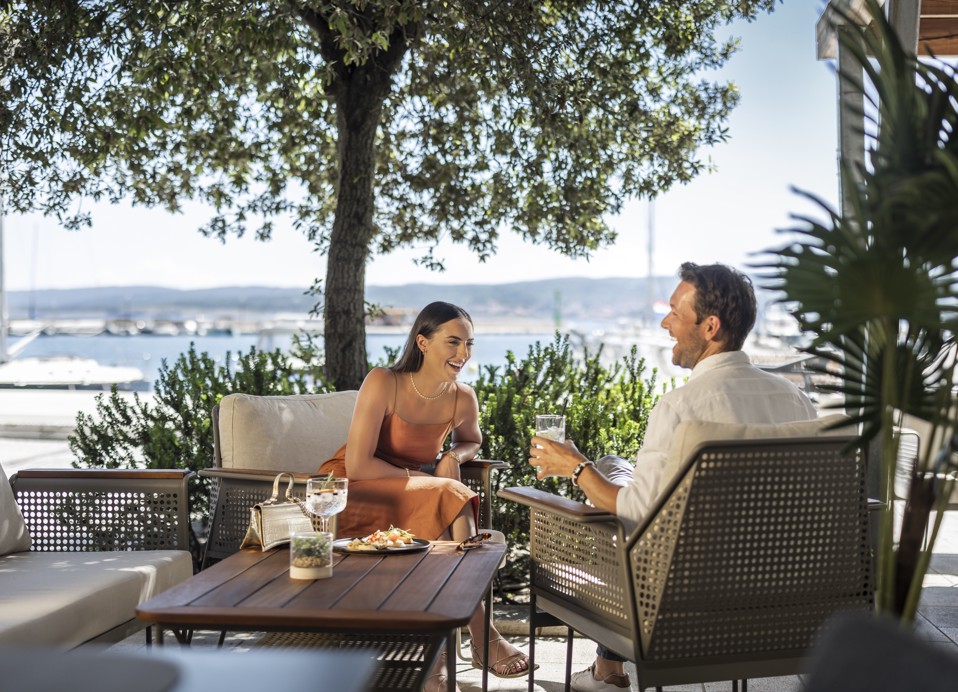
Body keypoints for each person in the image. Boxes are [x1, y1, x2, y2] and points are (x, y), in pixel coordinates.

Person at [528, 262, 818, 692]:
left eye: (674, 313)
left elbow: (635, 510)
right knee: (615, 467)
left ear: (710, 326)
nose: (665, 323)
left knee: (609, 482)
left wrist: (573, 466)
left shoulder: (682, 407)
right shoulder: (797, 401)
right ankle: (607, 670)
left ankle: (607, 671)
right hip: (785, 598)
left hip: (680, 604)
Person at [318, 301, 531, 689]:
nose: (463, 354)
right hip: (351, 493)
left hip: (414, 494)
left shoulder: (462, 397)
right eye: (453, 342)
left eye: (469, 344)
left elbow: (472, 440)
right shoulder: (383, 381)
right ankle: (483, 639)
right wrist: (428, 477)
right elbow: (360, 464)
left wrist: (453, 455)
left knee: (445, 497)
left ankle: (439, 655)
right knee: (446, 493)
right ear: (422, 342)